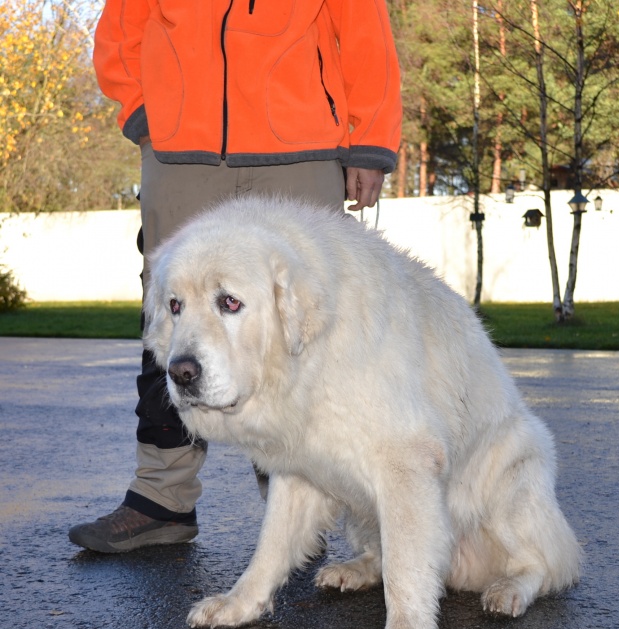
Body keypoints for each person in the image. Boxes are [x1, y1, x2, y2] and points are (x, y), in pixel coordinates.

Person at [69, 0, 402, 553]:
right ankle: (161, 497)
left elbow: (366, 34)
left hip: (301, 147)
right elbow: (121, 29)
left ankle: (298, 504)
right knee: (172, 318)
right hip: (180, 151)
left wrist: (369, 142)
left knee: (299, 326)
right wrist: (147, 115)